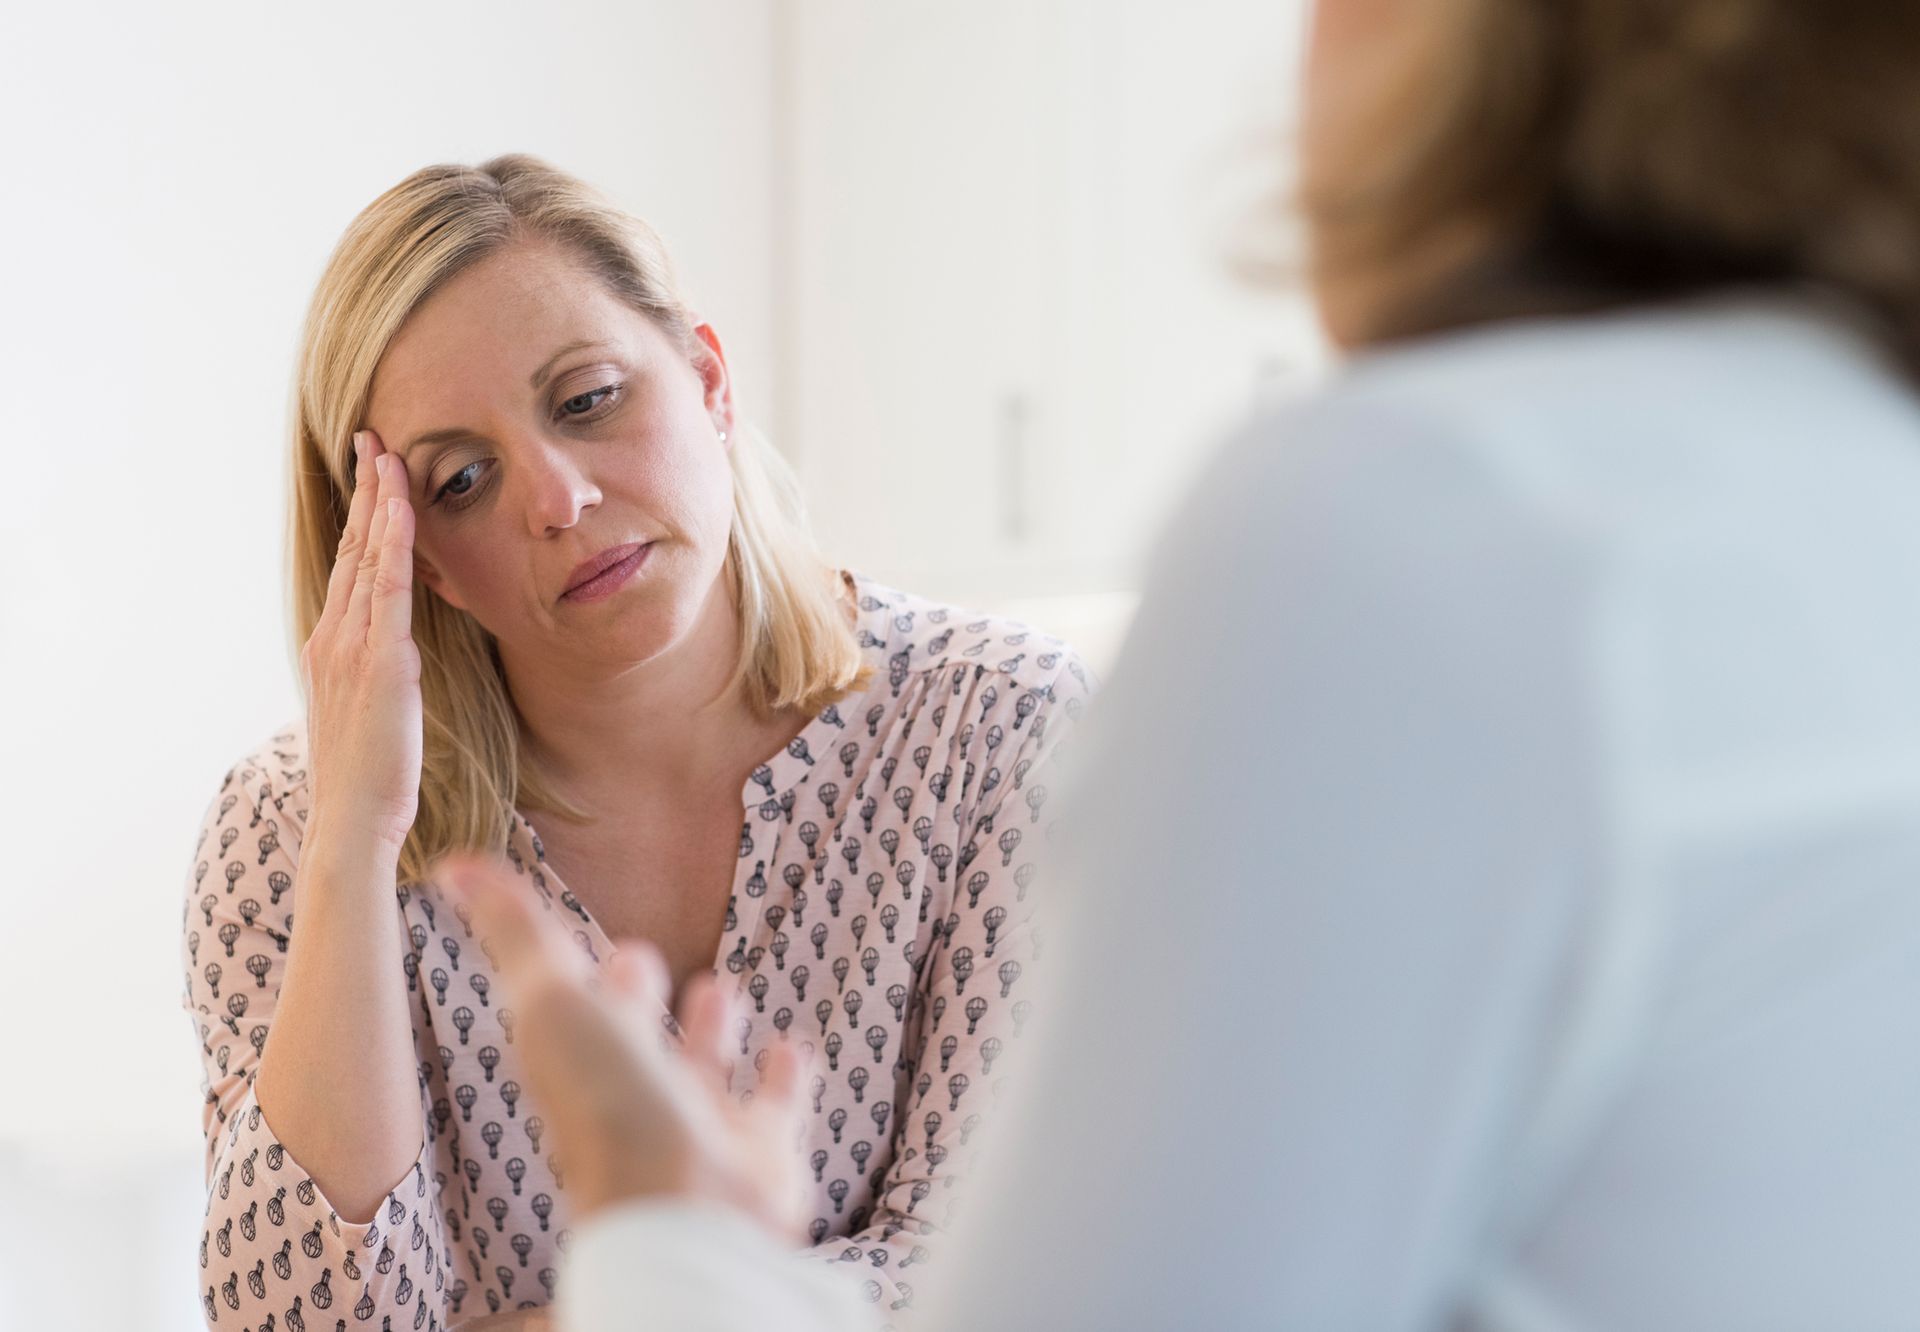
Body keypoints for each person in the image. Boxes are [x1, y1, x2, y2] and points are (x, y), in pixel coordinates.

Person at [438, 0, 1920, 1328]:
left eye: (588, 397)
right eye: (456, 478)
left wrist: (661, 1240)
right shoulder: (1859, 477)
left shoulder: (1423, 521)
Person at [178, 154, 1094, 1331]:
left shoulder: (1001, 732)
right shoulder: (289, 834)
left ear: (708, 380)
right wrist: (352, 845)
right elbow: (299, 1326)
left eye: (588, 399)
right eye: (462, 478)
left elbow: (1007, 1279)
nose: (556, 499)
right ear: (420, 560)